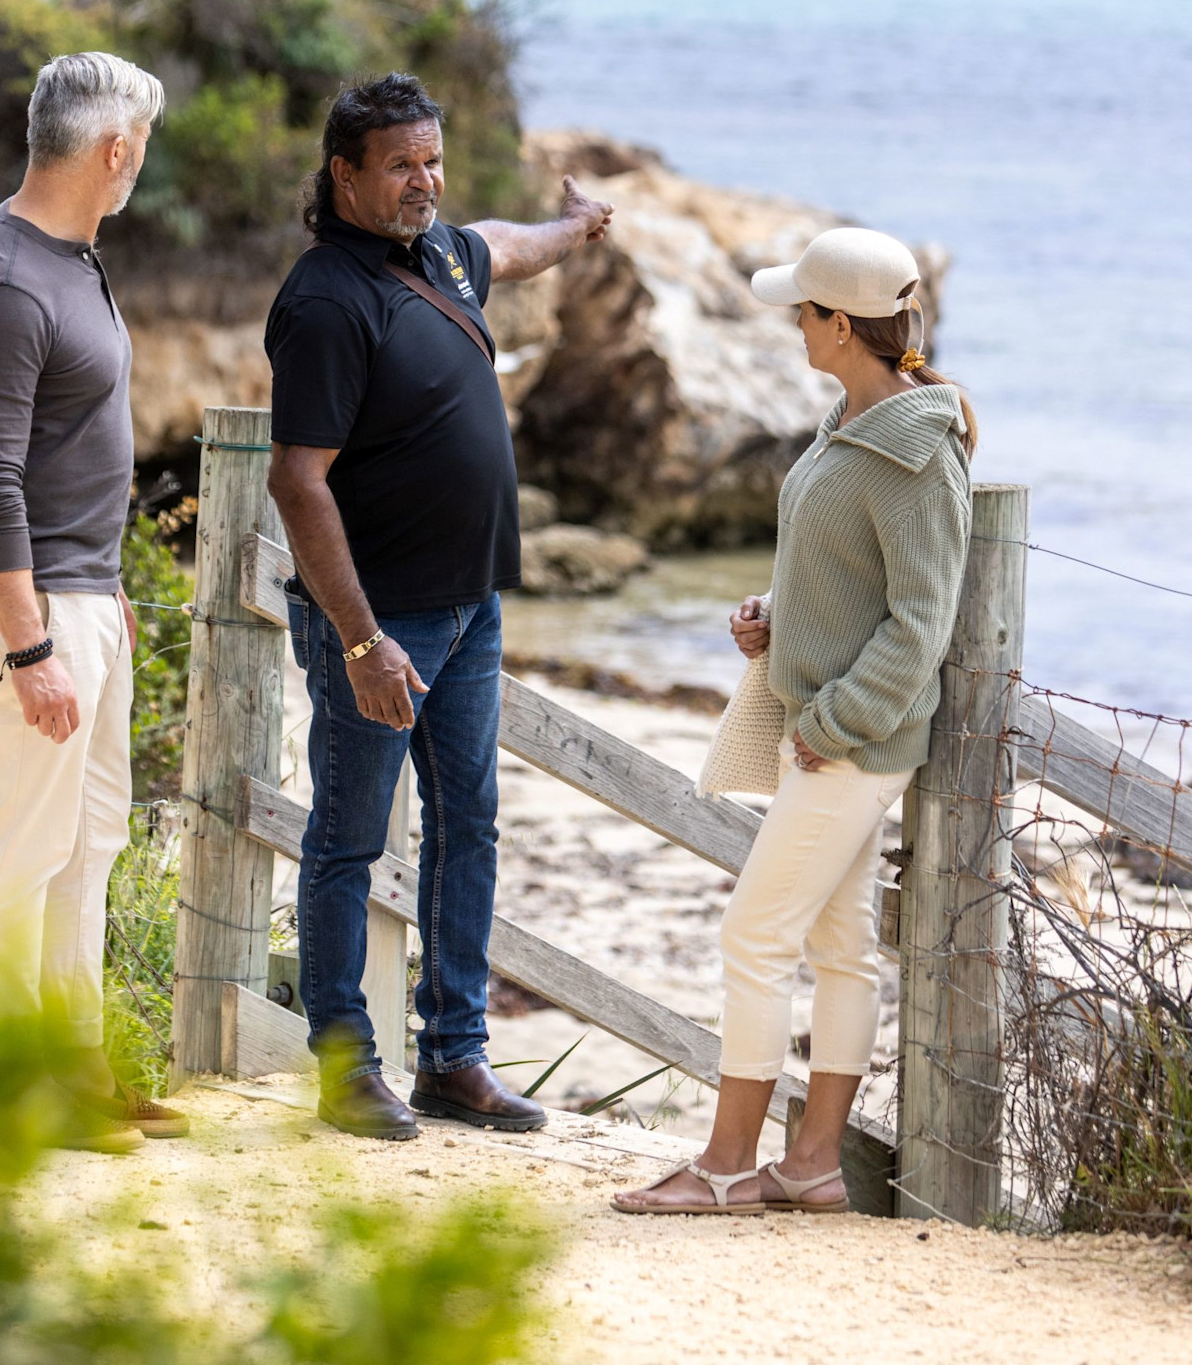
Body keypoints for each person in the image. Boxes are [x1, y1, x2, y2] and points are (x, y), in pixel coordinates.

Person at [266, 73, 613, 1140]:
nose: (424, 181)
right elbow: (297, 480)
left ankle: (454, 1057)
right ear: (345, 175)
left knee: (468, 826)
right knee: (347, 838)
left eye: (433, 159)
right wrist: (361, 639)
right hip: (383, 625)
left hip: (470, 609)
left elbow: (505, 242)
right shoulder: (325, 298)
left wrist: (577, 222)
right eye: (401, 165)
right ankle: (343, 1063)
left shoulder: (446, 254)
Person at [614, 226, 976, 1216]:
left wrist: (836, 717)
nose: (790, 324)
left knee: (752, 933)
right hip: (823, 719)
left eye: (802, 311)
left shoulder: (912, 451)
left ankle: (727, 1164)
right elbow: (847, 573)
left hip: (849, 740)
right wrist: (777, 615)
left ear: (842, 325)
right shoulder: (847, 420)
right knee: (838, 945)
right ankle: (810, 1163)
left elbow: (921, 617)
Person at [0, 50, 188, 1146]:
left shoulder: (76, 257)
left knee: (89, 838)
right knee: (22, 842)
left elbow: (68, 442)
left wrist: (106, 588)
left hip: (84, 591)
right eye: (143, 147)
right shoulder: (1, 279)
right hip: (19, 609)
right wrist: (32, 646)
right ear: (114, 149)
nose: (143, 164)